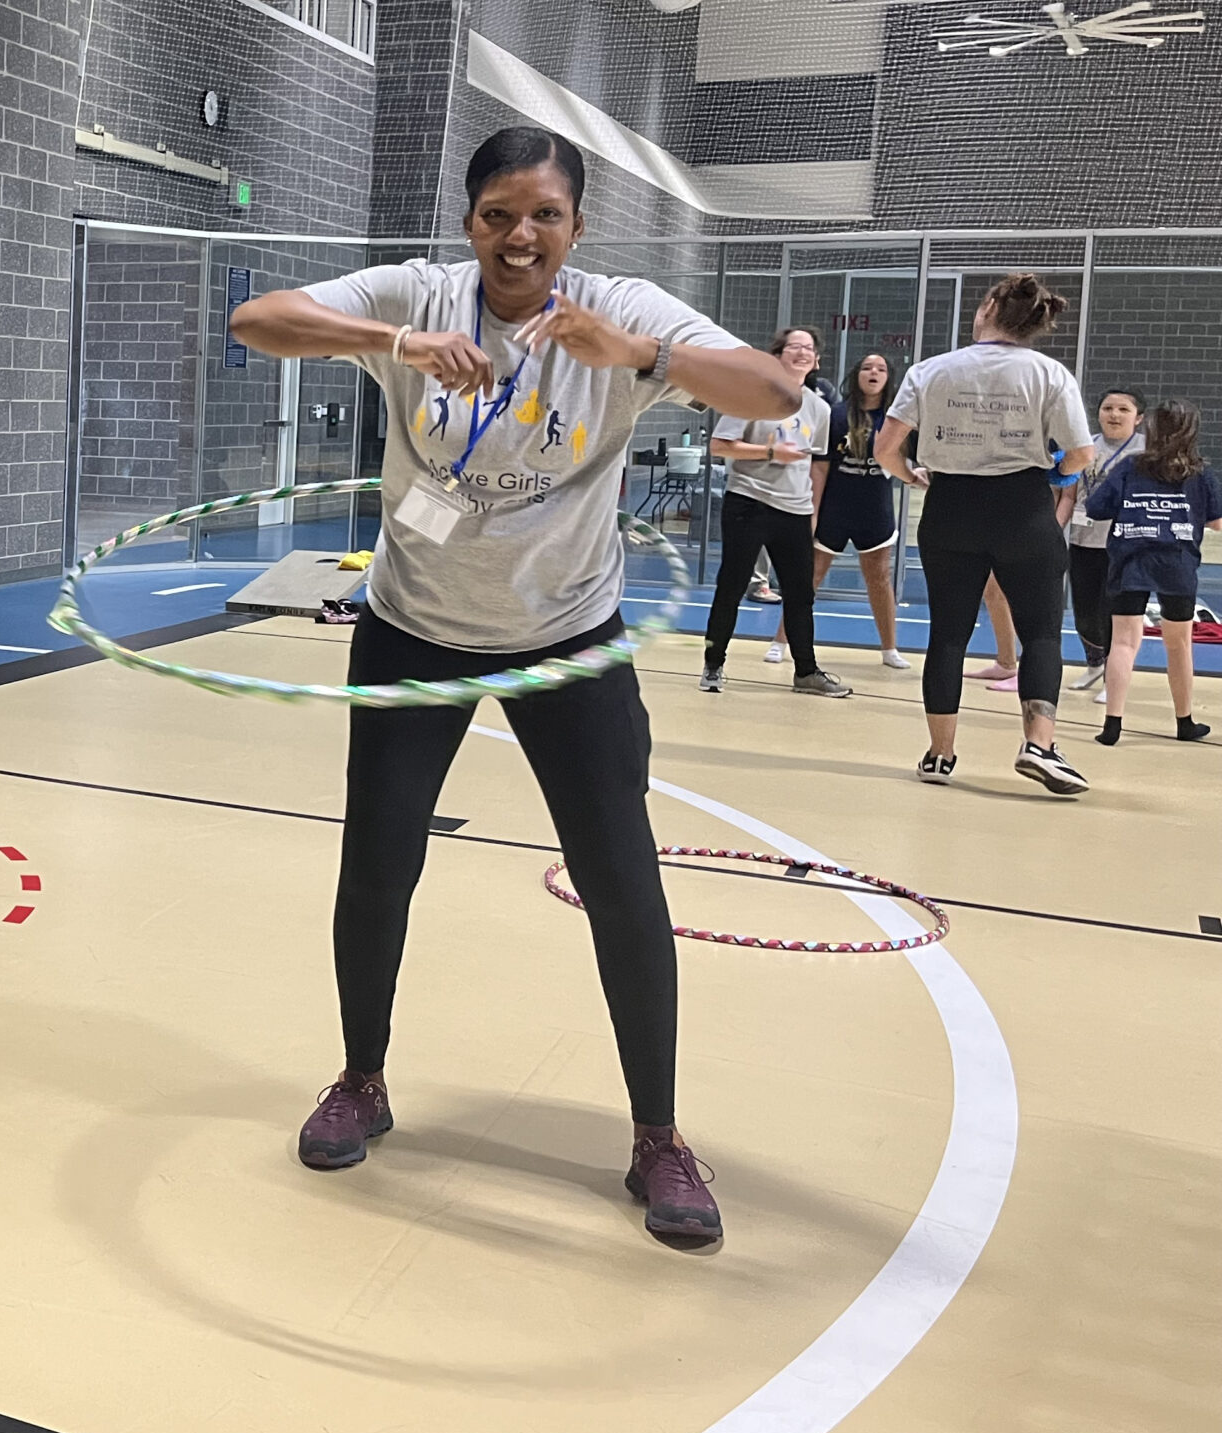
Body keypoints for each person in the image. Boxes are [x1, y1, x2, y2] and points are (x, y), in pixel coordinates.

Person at [229, 127, 801, 1242]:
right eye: (498, 214)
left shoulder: (620, 313)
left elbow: (776, 393)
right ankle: (361, 1078)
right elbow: (258, 322)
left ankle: (658, 1139)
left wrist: (639, 358)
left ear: (575, 227)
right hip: (414, 629)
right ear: (468, 223)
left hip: (565, 634)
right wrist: (391, 336)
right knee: (377, 863)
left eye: (542, 214)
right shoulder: (419, 294)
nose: (519, 236)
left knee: (621, 878)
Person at [876, 274, 1094, 793]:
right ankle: (1040, 746)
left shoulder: (930, 371)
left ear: (991, 306)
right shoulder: (1048, 373)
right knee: (1040, 631)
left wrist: (913, 476)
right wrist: (1057, 472)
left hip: (949, 508)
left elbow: (886, 449)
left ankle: (939, 754)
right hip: (1023, 509)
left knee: (948, 633)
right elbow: (1082, 455)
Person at [698, 328, 849, 696]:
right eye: (794, 346)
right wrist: (769, 453)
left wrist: (812, 512)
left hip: (794, 510)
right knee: (731, 585)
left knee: (800, 593)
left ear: (816, 361)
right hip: (748, 502)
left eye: (808, 348)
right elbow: (720, 445)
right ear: (778, 354)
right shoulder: (751, 394)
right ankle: (713, 665)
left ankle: (806, 672)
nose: (801, 352)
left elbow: (814, 464)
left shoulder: (819, 408)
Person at [1085, 399, 1222, 744]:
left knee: (1123, 643)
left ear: (1151, 428)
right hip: (1177, 563)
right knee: (1179, 645)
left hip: (1130, 561)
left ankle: (1112, 725)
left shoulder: (1130, 467)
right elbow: (1218, 521)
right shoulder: (1200, 472)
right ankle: (1184, 722)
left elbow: (1096, 507)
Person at [793, 351, 911, 670]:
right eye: (867, 367)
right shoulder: (835, 414)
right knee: (810, 576)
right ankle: (782, 641)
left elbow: (905, 462)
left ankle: (890, 649)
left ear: (888, 378)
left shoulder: (896, 420)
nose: (873, 371)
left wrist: (916, 476)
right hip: (835, 508)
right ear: (856, 375)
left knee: (880, 578)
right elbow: (820, 468)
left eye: (881, 367)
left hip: (876, 511)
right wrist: (813, 513)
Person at [1060, 387, 1145, 697]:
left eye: (1123, 410)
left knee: (1114, 611)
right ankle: (1094, 664)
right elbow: (1070, 494)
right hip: (1083, 539)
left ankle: (1114, 676)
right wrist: (1056, 530)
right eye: (1108, 408)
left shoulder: (1144, 454)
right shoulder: (1085, 448)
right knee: (1084, 609)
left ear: (1139, 418)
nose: (1114, 414)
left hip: (1123, 546)